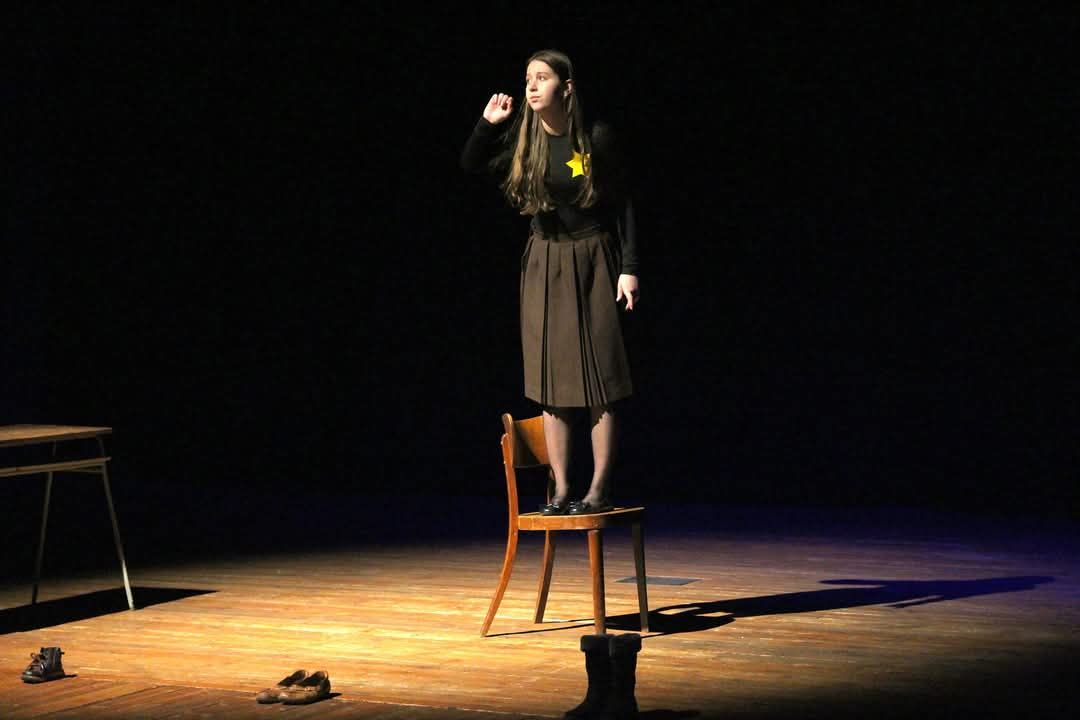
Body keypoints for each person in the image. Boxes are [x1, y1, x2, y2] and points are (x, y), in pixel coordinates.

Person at [461, 49, 640, 516]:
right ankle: (560, 490)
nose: (532, 85)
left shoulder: (595, 137)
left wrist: (630, 267)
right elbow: (471, 163)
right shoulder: (525, 137)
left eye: (542, 77)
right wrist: (486, 124)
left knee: (600, 376)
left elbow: (624, 203)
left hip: (594, 255)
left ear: (567, 87)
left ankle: (598, 489)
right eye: (528, 78)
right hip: (544, 259)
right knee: (550, 378)